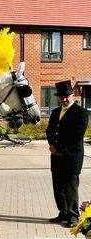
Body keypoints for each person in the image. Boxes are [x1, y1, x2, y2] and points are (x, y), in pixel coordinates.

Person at [46, 80, 89, 228]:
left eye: (66, 96)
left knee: (70, 187)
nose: (64, 99)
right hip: (56, 155)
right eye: (61, 96)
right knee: (58, 186)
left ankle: (73, 216)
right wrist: (51, 145)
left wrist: (60, 149)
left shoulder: (81, 113)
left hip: (71, 157)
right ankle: (63, 212)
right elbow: (50, 130)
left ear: (72, 95)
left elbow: (77, 135)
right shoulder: (55, 112)